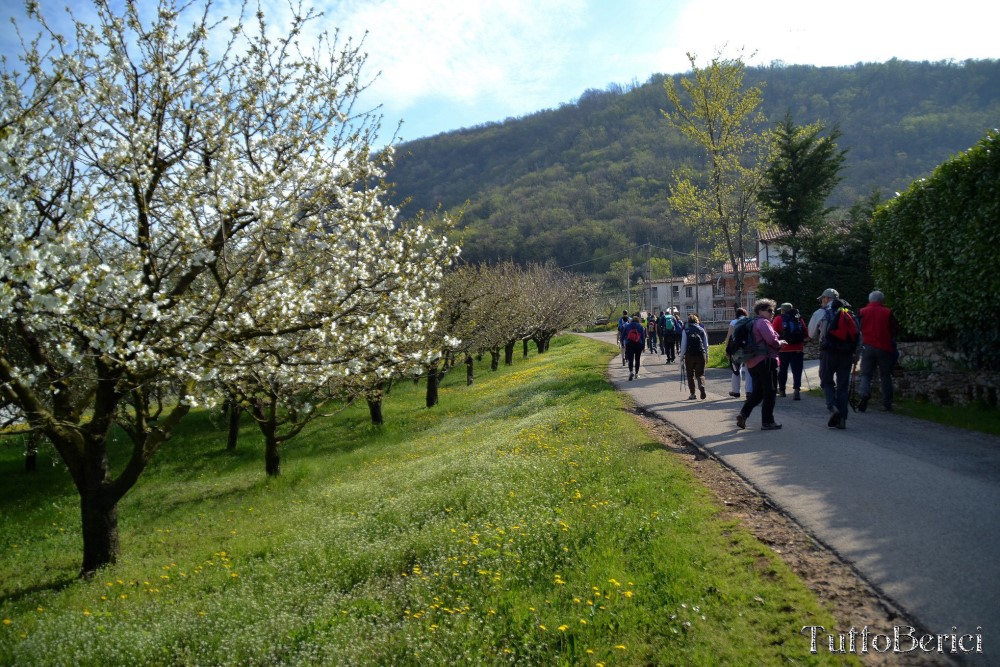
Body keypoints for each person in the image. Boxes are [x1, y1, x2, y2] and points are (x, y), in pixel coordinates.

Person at [809, 289, 860, 430]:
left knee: (826, 381)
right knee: (843, 386)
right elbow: (857, 336)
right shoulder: (849, 312)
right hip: (847, 354)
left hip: (828, 352)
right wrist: (856, 355)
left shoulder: (820, 313)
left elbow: (811, 333)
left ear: (826, 298)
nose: (821, 301)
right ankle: (842, 418)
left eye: (822, 299)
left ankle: (832, 408)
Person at [736, 299, 785, 430]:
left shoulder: (752, 323)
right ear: (760, 311)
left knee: (758, 392)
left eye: (773, 310)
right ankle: (768, 422)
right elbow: (771, 341)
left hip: (752, 362)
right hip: (766, 361)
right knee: (770, 391)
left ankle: (743, 414)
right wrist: (781, 343)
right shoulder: (763, 322)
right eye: (769, 310)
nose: (772, 313)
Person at [858, 290, 899, 412]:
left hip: (867, 346)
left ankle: (864, 393)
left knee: (866, 374)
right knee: (885, 375)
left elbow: (857, 328)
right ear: (882, 300)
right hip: (884, 347)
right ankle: (887, 403)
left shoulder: (862, 312)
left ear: (870, 300)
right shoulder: (888, 312)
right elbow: (895, 330)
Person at [772, 302, 806, 400]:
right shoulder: (799, 318)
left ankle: (782, 390)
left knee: (783, 370)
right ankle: (796, 391)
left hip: (784, 349)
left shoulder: (778, 319)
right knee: (797, 371)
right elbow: (805, 333)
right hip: (798, 349)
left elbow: (773, 333)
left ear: (782, 310)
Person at [679, 314, 709, 400]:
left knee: (690, 375)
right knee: (700, 374)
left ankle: (692, 394)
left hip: (689, 355)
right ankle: (702, 386)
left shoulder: (686, 331)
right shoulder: (701, 330)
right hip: (700, 354)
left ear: (688, 322)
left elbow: (683, 345)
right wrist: (707, 356)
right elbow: (706, 344)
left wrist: (681, 358)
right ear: (697, 321)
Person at [722, 307, 749, 398]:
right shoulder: (749, 321)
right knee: (749, 370)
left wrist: (727, 350)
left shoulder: (733, 322)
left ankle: (736, 391)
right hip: (748, 348)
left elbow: (729, 337)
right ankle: (749, 391)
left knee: (737, 370)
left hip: (736, 349)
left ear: (736, 314)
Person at [622, 314, 646, 381]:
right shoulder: (641, 326)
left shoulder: (627, 326)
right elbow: (643, 337)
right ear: (638, 320)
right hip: (638, 344)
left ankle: (631, 372)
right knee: (637, 359)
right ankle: (636, 374)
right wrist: (644, 346)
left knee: (630, 359)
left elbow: (623, 336)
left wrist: (622, 343)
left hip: (629, 344)